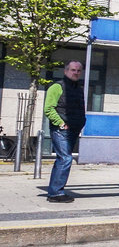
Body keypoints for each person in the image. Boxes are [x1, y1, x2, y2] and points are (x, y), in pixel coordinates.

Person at [44, 60, 86, 202]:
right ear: (66, 71)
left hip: (73, 130)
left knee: (61, 160)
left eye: (78, 70)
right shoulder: (57, 87)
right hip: (60, 130)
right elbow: (48, 108)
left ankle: (55, 190)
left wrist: (81, 123)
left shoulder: (78, 89)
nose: (76, 73)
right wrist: (61, 123)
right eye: (73, 70)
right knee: (66, 158)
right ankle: (55, 193)